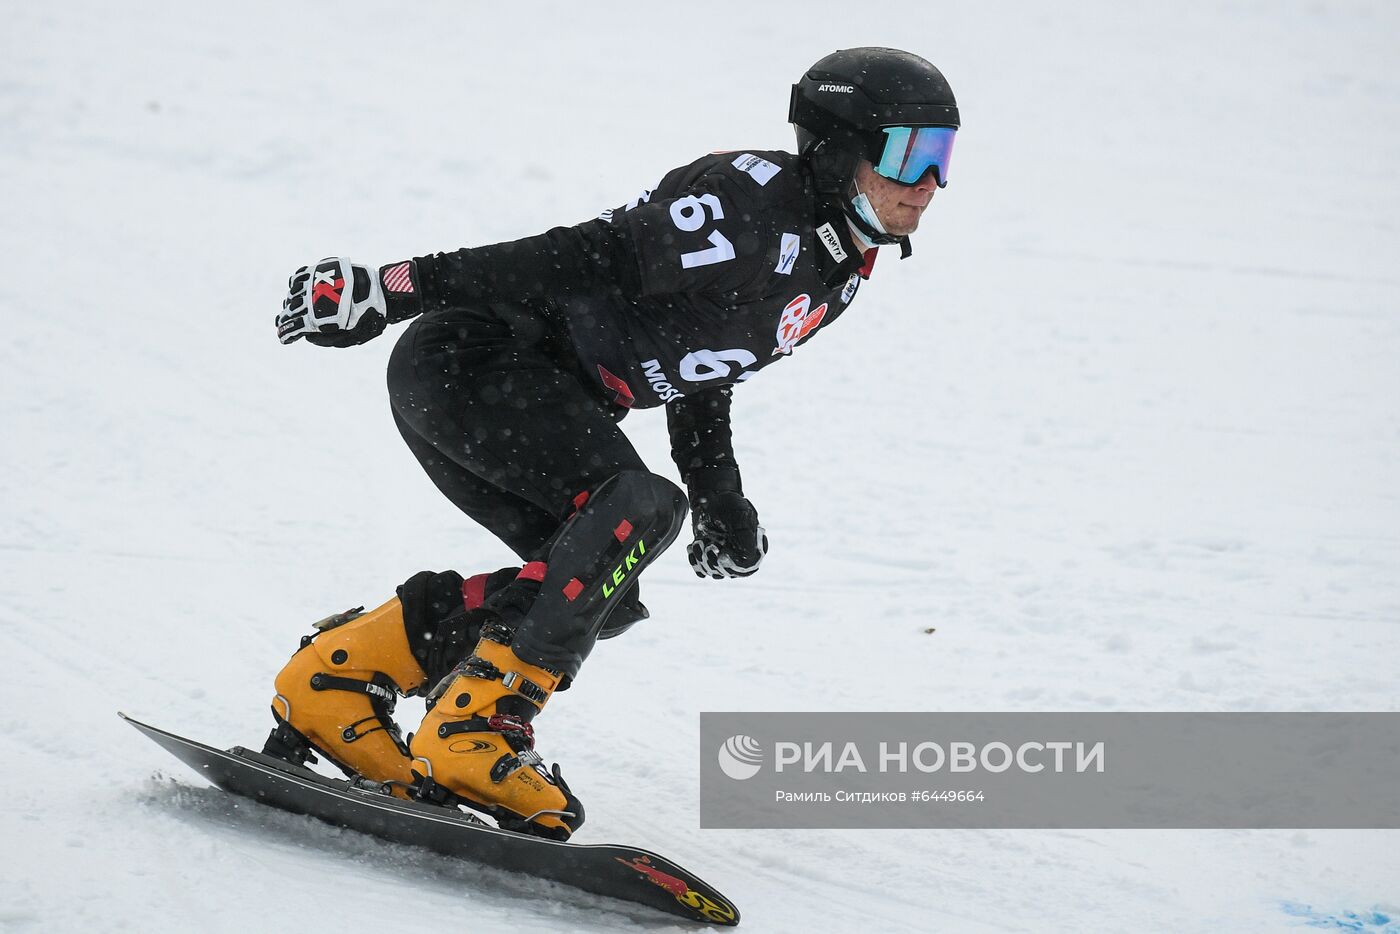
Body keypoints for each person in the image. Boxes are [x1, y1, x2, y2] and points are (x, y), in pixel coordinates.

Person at [266, 47, 959, 840]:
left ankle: (337, 678)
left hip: (514, 385)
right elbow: (582, 251)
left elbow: (701, 358)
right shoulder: (749, 207)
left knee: (604, 589)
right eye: (909, 153)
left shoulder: (840, 265)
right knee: (636, 510)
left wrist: (719, 494)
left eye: (942, 158)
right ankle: (472, 729)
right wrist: (395, 288)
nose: (929, 183)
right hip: (473, 363)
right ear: (839, 148)